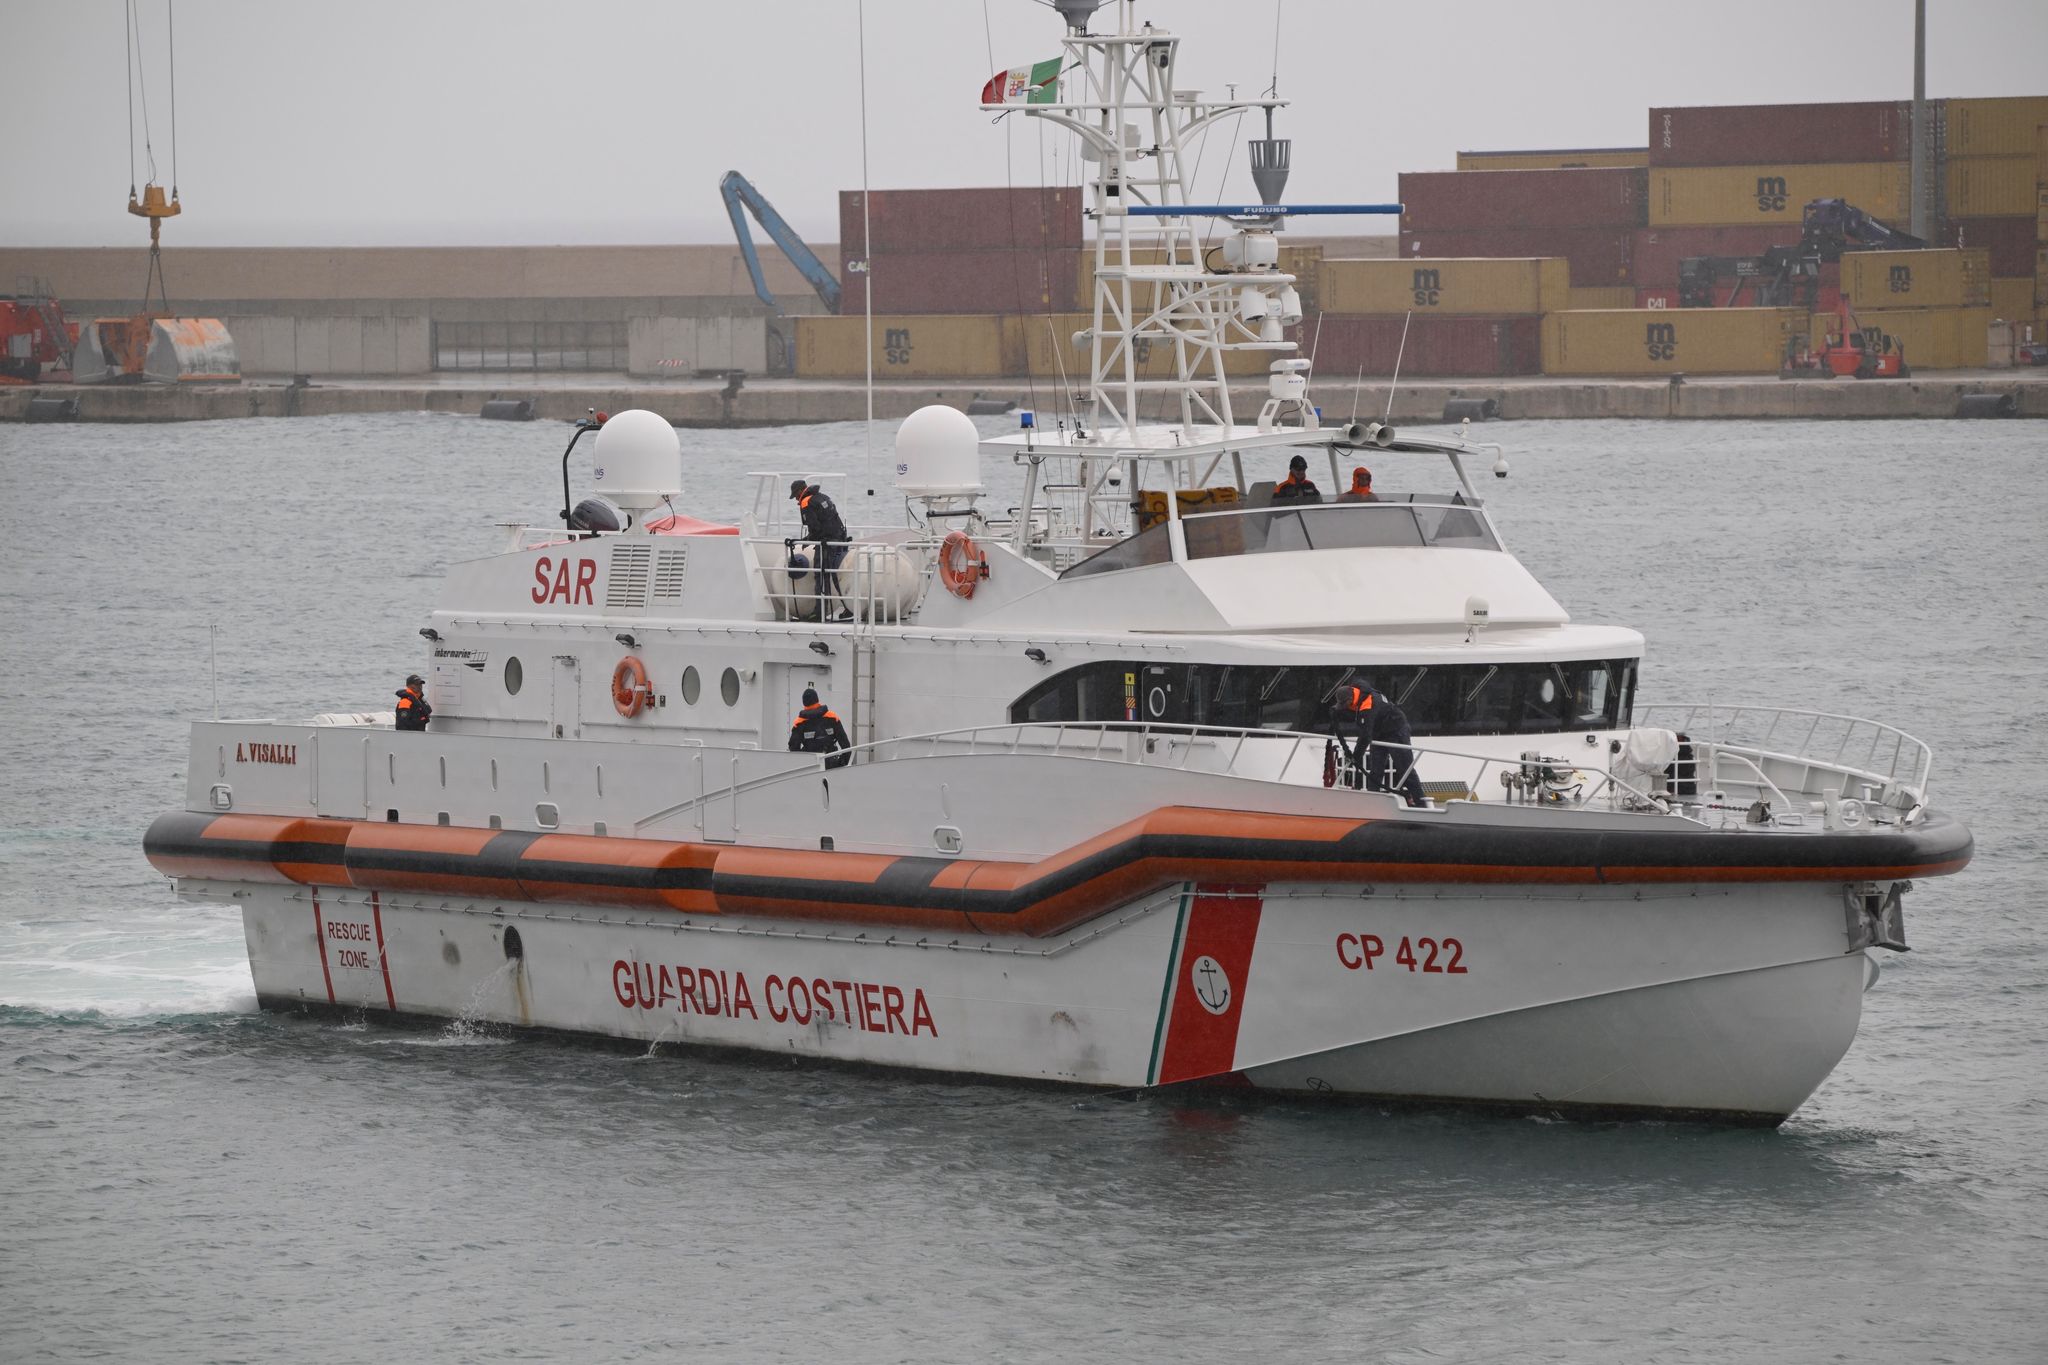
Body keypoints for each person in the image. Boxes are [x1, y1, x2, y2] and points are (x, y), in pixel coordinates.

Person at [1333, 678, 1427, 806]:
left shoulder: (1368, 705)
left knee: (1405, 769)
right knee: (1375, 770)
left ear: (1351, 699)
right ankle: (1373, 803)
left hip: (1396, 730)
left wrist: (1355, 757)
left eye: (1345, 704)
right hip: (1378, 732)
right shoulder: (1356, 690)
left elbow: (1365, 735)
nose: (1346, 707)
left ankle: (1422, 804)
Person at [790, 478, 854, 622]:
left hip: (827, 543)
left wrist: (806, 541)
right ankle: (848, 607)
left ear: (800, 492)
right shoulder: (823, 497)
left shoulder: (806, 502)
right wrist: (809, 539)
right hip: (840, 539)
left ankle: (819, 612)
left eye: (795, 496)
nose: (796, 500)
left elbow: (815, 528)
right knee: (836, 575)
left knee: (821, 575)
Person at [789, 687, 852, 769]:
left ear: (804, 702)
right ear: (817, 699)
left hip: (811, 767)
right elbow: (845, 743)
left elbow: (793, 748)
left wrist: (805, 761)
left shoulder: (799, 723)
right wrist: (843, 762)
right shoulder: (832, 717)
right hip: (833, 765)